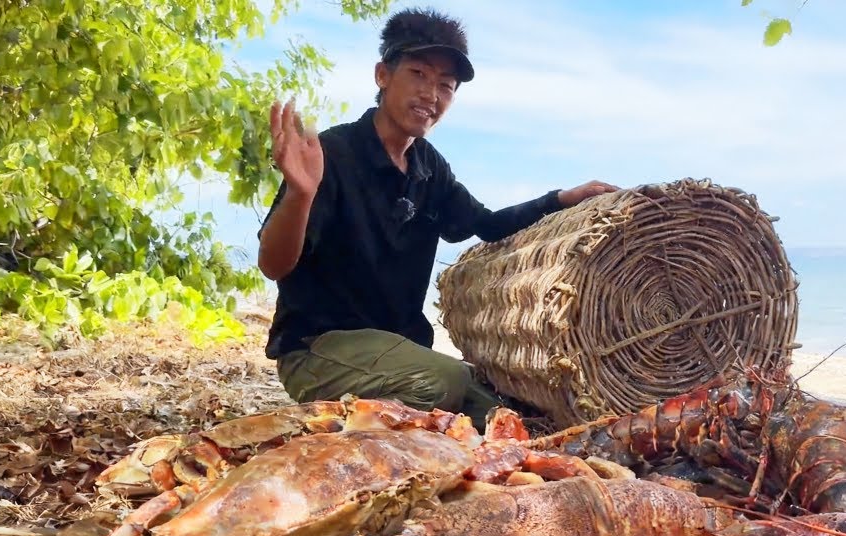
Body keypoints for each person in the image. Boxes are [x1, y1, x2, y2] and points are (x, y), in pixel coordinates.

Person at [257, 7, 618, 431]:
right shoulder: (332, 155)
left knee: (507, 416)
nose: (431, 94)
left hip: (399, 351)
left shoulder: (429, 168)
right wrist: (301, 194)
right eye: (418, 74)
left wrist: (560, 199)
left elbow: (486, 225)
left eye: (445, 86)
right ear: (382, 75)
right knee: (439, 385)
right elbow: (273, 264)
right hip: (316, 349)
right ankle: (338, 444)